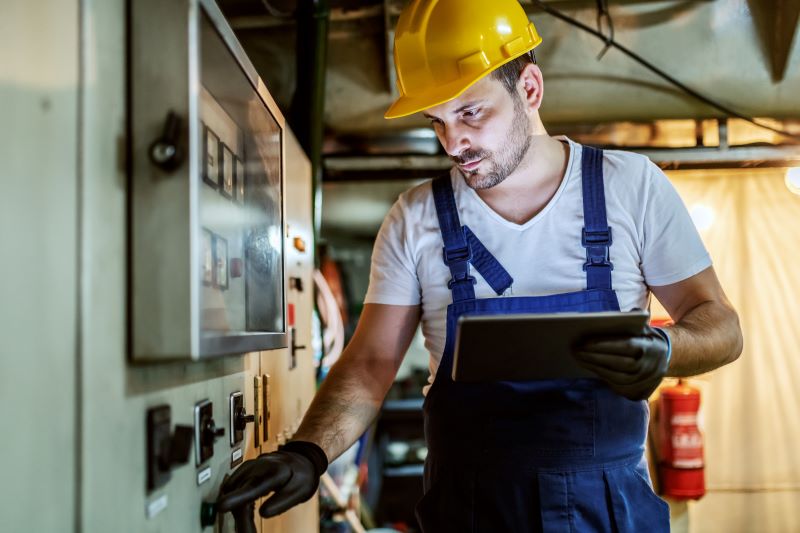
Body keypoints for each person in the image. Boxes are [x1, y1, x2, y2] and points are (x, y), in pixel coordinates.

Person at [217, 0, 744, 530]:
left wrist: (666, 350)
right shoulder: (415, 218)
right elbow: (372, 362)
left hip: (606, 510)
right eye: (437, 122)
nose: (454, 143)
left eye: (470, 112)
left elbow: (720, 325)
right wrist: (309, 452)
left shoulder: (630, 187)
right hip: (467, 511)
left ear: (530, 89)